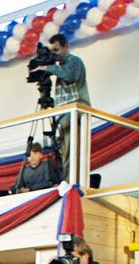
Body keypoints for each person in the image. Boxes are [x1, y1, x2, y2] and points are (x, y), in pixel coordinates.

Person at [30, 33, 89, 165]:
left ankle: (73, 184)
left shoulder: (74, 61)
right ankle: (67, 182)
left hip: (75, 112)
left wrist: (47, 67)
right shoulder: (59, 68)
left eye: (56, 50)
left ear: (66, 47)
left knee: (73, 154)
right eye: (52, 51)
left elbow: (69, 75)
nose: (54, 54)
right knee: (65, 155)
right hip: (63, 115)